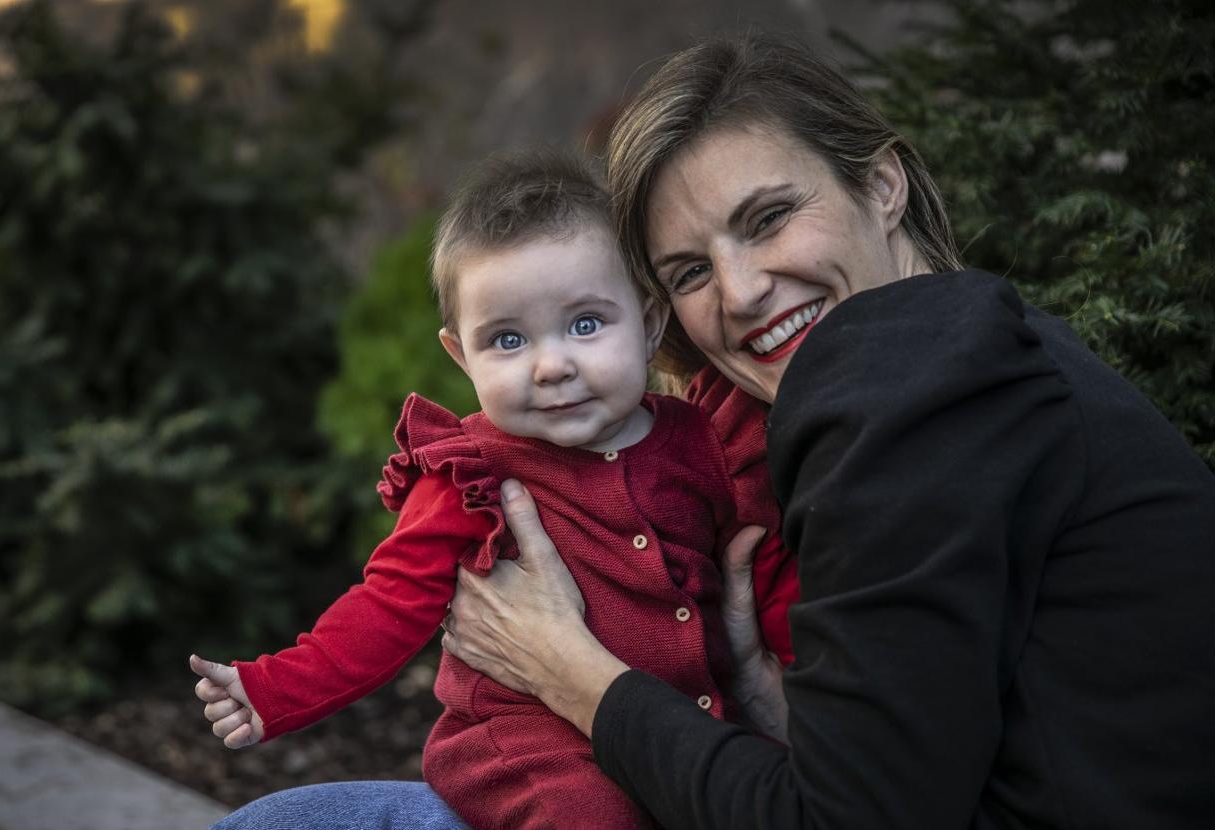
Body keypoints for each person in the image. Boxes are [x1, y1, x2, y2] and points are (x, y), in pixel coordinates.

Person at [438, 34, 1215, 828]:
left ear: (882, 185)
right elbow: (907, 773)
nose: (741, 292)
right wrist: (757, 688)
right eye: (691, 271)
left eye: (769, 218)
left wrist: (571, 674)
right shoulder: (973, 356)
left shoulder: (913, 394)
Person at [192, 149, 799, 830]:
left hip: (682, 729)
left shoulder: (704, 441)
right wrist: (276, 689)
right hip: (532, 746)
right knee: (591, 816)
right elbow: (388, 602)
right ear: (461, 355)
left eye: (586, 324)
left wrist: (806, 688)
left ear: (650, 323)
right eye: (508, 340)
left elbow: (769, 571)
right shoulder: (471, 474)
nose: (551, 365)